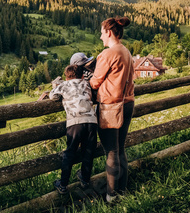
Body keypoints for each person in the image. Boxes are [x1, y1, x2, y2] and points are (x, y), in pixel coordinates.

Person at [90, 16, 134, 203]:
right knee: (120, 149)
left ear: (108, 32)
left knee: (111, 152)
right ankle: (122, 190)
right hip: (128, 103)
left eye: (101, 33)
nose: (100, 37)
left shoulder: (107, 54)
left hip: (110, 106)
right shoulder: (126, 51)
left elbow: (94, 82)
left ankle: (111, 195)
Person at [49, 65, 98, 194]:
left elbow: (52, 96)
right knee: (88, 151)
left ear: (66, 76)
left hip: (75, 122)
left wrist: (58, 89)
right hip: (92, 121)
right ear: (82, 75)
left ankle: (63, 184)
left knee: (69, 153)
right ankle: (85, 179)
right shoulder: (86, 83)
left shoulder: (64, 85)